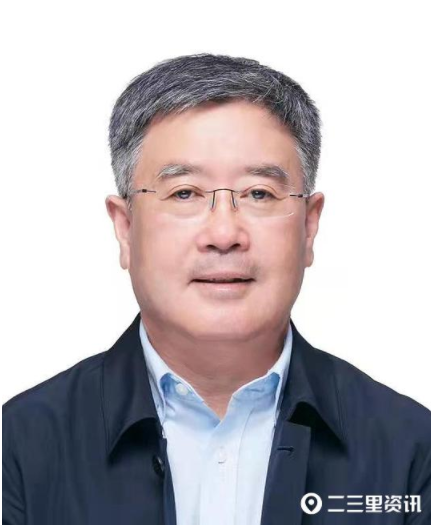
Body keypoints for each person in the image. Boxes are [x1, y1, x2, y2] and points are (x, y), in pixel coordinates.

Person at [3, 53, 430, 525]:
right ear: (125, 228)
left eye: (259, 193)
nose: (224, 234)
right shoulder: (19, 445)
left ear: (309, 227)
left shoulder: (410, 450)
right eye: (184, 193)